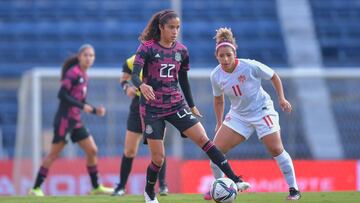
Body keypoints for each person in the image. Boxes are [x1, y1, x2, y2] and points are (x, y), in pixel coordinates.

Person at [131, 10, 251, 203]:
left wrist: (192, 105)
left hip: (176, 105)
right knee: (158, 158)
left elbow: (183, 79)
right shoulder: (147, 48)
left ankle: (235, 179)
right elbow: (134, 76)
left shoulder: (181, 51)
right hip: (152, 108)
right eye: (171, 27)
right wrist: (142, 85)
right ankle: (149, 193)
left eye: (177, 27)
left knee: (204, 139)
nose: (175, 31)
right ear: (161, 28)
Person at [204, 27, 301, 201]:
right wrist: (219, 123)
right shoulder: (215, 75)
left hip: (262, 110)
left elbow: (273, 76)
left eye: (228, 55)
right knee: (215, 151)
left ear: (235, 54)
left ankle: (294, 189)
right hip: (239, 115)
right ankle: (218, 187)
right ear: (216, 56)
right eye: (221, 56)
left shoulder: (250, 66)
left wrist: (282, 98)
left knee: (276, 149)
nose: (225, 59)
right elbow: (219, 100)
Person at [28, 44, 112, 196]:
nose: (88, 58)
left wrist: (95, 110)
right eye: (86, 55)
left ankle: (95, 187)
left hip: (76, 121)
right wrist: (82, 105)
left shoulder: (85, 76)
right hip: (65, 121)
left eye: (91, 56)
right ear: (79, 57)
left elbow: (81, 101)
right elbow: (62, 95)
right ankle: (35, 188)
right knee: (53, 154)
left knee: (92, 150)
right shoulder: (73, 73)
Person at [112, 55, 168, 196]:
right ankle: (121, 187)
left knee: (158, 148)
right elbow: (123, 79)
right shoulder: (132, 61)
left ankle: (162, 185)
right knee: (130, 149)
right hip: (138, 104)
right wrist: (126, 88)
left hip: (157, 103)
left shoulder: (165, 57)